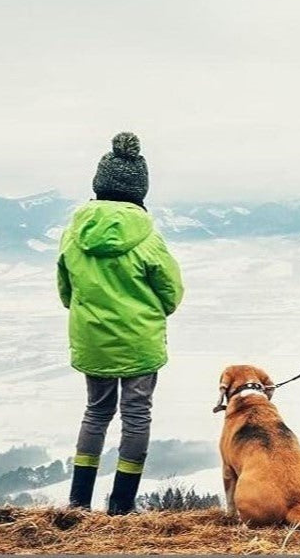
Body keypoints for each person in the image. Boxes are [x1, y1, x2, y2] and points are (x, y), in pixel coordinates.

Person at [57, 132, 184, 514]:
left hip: (92, 339)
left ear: (99, 186)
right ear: (139, 190)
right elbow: (171, 293)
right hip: (139, 342)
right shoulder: (148, 238)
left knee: (96, 412)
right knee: (136, 414)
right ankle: (122, 505)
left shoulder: (72, 233)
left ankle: (78, 503)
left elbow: (65, 291)